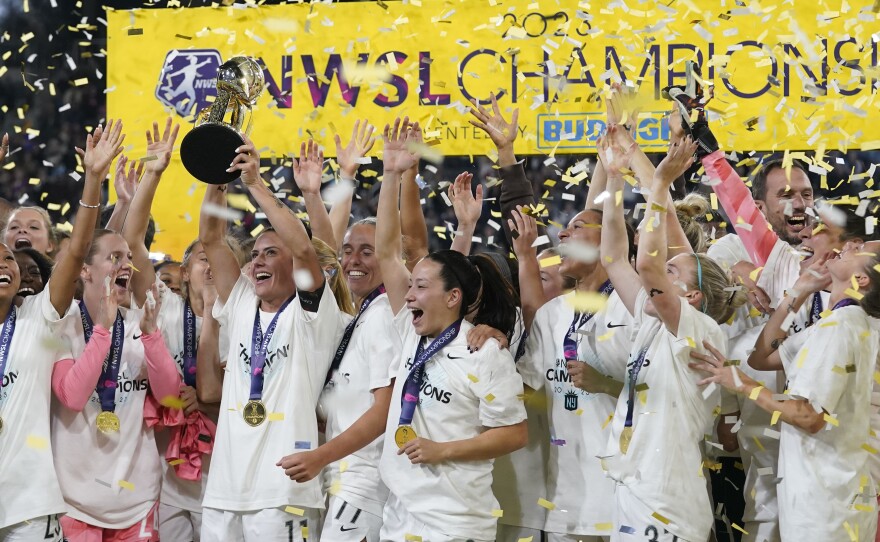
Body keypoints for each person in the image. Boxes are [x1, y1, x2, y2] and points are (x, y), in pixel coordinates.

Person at [375, 117, 527, 542]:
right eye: (410, 286)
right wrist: (391, 175)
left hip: (455, 522)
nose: (408, 295)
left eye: (420, 287)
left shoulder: (484, 352)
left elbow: (514, 433)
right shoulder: (411, 331)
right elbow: (388, 251)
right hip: (400, 513)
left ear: (453, 297)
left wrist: (444, 451)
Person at [598, 130, 746, 542]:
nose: (661, 274)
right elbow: (612, 257)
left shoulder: (700, 329)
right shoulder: (653, 321)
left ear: (693, 295)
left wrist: (659, 185)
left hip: (668, 501)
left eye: (672, 272)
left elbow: (646, 263)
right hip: (634, 488)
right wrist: (612, 179)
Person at [198, 134, 345, 542]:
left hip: (284, 492)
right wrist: (217, 175)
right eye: (255, 253)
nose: (257, 260)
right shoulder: (243, 302)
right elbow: (211, 238)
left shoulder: (312, 312)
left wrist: (256, 185)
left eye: (270, 253)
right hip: (225, 490)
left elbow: (302, 245)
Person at [692, 241, 880, 541]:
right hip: (831, 495)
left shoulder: (840, 328)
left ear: (862, 279)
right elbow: (762, 357)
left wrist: (741, 383)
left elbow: (810, 416)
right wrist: (800, 291)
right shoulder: (846, 322)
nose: (849, 243)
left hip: (826, 503)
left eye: (859, 249)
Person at [0, 121, 123, 541]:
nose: (5, 263)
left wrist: (93, 181)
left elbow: (75, 250)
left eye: (10, 260)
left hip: (29, 506)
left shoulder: (38, 315)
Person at [51, 229, 182, 542]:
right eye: (115, 257)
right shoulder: (61, 325)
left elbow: (169, 396)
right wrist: (102, 330)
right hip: (74, 501)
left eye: (130, 258)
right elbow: (72, 397)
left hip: (137, 499)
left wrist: (151, 336)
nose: (127, 266)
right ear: (85, 270)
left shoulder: (141, 324)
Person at [279, 218, 400, 542]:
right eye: (347, 251)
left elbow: (384, 410)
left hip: (364, 480)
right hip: (346, 477)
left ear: (388, 256)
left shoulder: (383, 315)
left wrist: (321, 456)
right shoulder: (365, 314)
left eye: (366, 252)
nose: (353, 261)